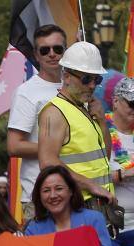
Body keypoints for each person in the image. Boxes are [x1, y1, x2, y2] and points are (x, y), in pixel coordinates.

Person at [37, 41, 114, 205]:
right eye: (86, 79)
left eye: (97, 79)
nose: (93, 85)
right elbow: (47, 162)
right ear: (66, 76)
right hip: (77, 205)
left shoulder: (85, 109)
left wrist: (101, 121)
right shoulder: (54, 112)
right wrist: (91, 185)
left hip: (99, 204)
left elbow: (104, 158)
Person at [8, 24, 66, 222]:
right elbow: (14, 145)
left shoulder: (78, 88)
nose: (52, 54)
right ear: (36, 54)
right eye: (45, 50)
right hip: (38, 195)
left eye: (58, 49)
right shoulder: (26, 92)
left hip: (74, 192)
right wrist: (57, 148)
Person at [24, 165, 114, 246]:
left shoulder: (94, 219)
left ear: (71, 191)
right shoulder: (33, 229)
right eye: (46, 190)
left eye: (59, 188)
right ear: (39, 195)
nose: (53, 195)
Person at [104, 77, 134, 246]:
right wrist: (123, 174)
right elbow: (89, 175)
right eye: (131, 103)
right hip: (110, 224)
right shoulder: (99, 130)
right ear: (115, 102)